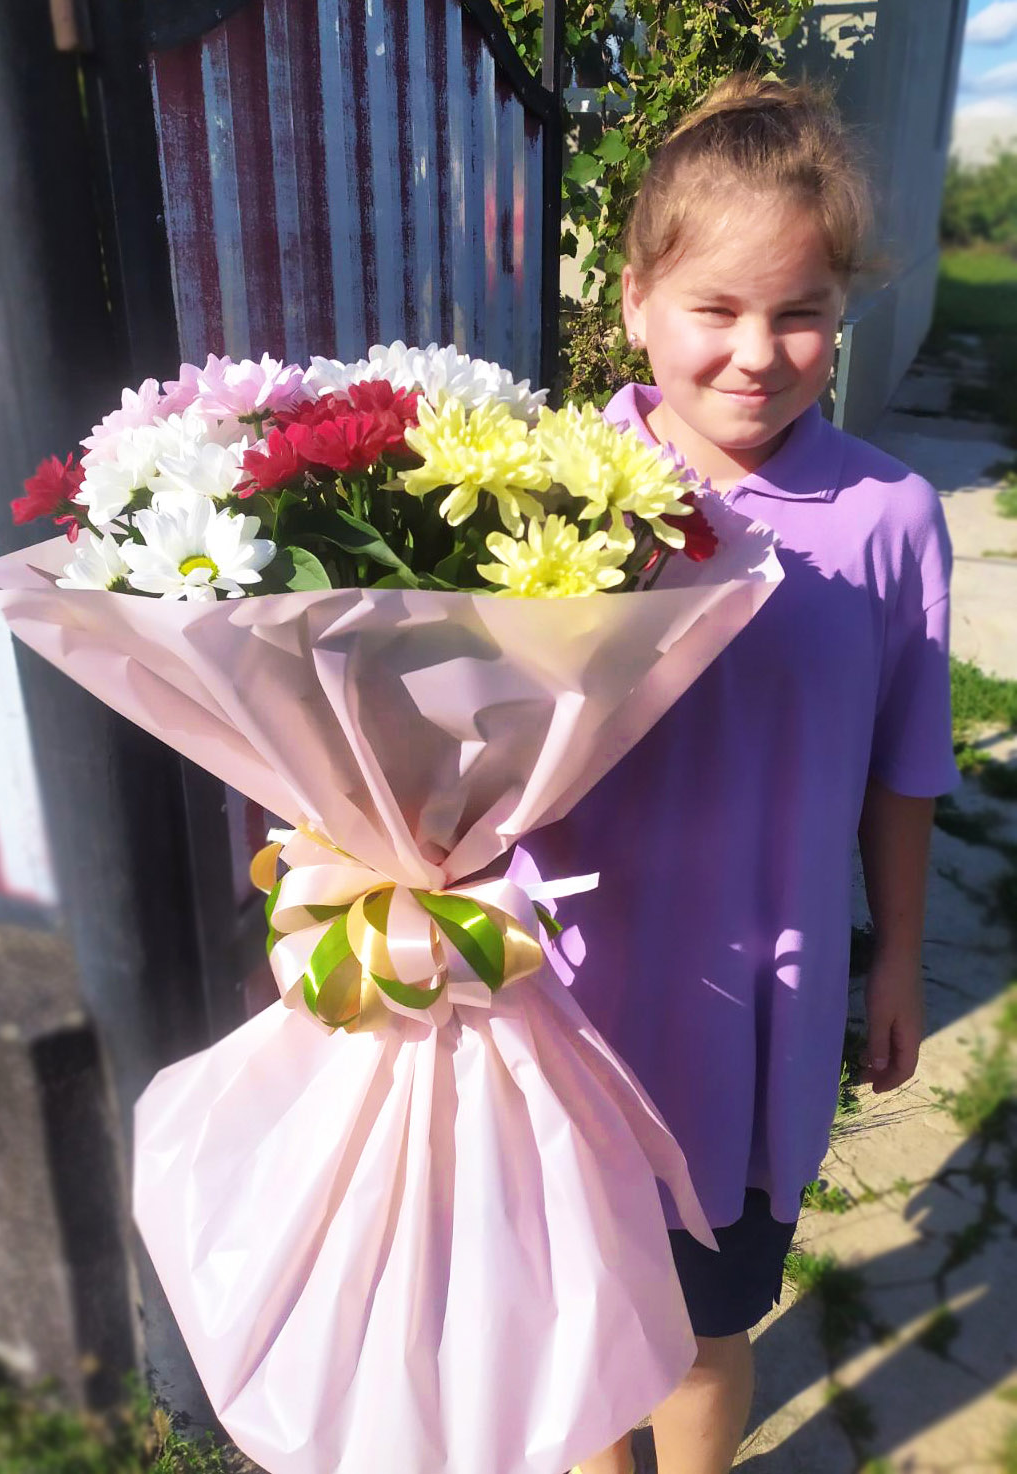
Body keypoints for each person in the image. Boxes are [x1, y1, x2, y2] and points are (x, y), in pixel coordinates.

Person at [525, 72, 960, 1474]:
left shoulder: (891, 518)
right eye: (714, 308)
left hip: (759, 1019)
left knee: (704, 1333)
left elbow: (904, 767)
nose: (756, 354)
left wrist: (898, 956)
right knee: (583, 1317)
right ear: (636, 301)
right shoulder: (550, 489)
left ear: (842, 312)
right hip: (566, 996)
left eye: (800, 312)